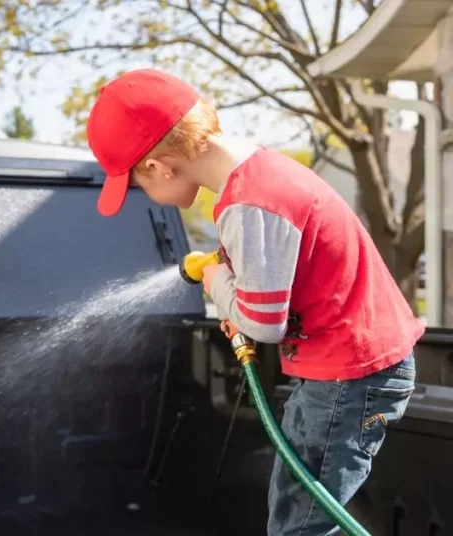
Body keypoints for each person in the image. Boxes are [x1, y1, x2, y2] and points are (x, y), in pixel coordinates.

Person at [84, 68, 422, 535]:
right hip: (344, 366)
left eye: (139, 186)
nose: (150, 196)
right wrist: (237, 292)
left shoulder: (251, 204)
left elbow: (263, 325)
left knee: (300, 522)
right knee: (295, 505)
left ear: (158, 166)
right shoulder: (259, 172)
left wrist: (220, 284)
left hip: (351, 373)